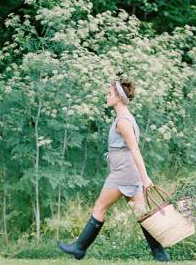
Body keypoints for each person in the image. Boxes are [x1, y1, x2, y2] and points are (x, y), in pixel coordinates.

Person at [57, 78, 170, 262]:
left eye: (110, 93)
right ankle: (160, 254)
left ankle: (79, 248)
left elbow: (135, 150)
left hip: (123, 172)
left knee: (100, 207)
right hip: (127, 171)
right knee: (141, 213)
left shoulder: (123, 122)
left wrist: (145, 177)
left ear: (119, 97)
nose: (106, 96)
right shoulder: (125, 118)